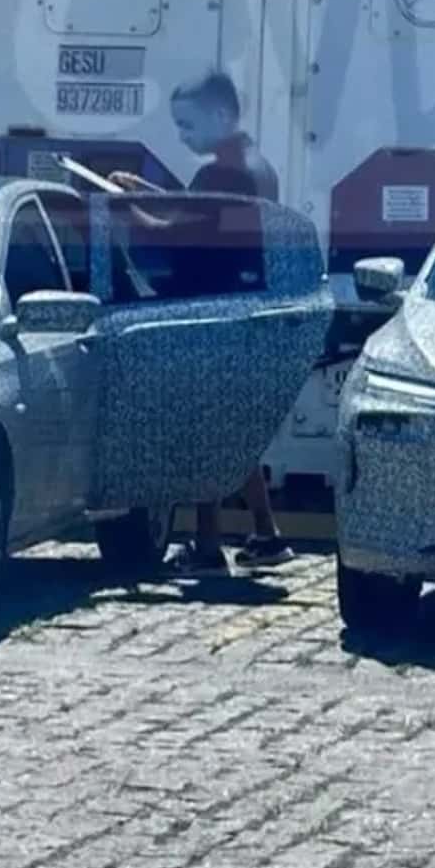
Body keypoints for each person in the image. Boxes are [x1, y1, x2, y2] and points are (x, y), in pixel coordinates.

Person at [110, 71, 295, 577]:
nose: (183, 135)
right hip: (243, 307)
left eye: (188, 124)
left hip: (209, 310)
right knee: (233, 428)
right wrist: (148, 190)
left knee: (204, 429)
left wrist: (128, 211)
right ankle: (265, 532)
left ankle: (207, 544)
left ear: (221, 115)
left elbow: (177, 235)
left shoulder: (222, 172)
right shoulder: (257, 166)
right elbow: (201, 212)